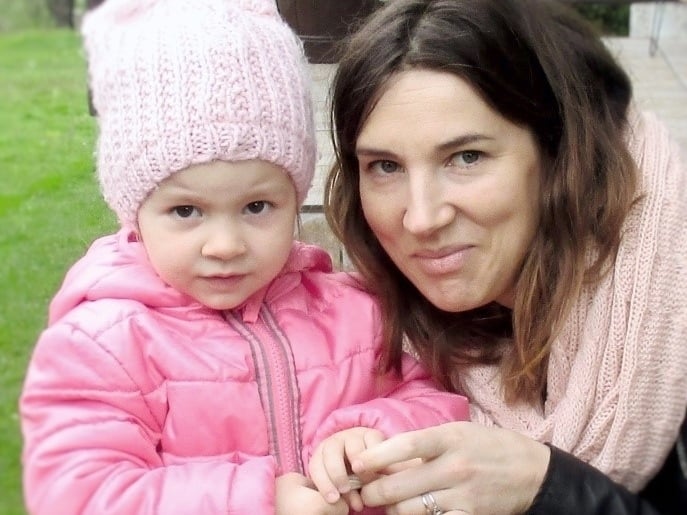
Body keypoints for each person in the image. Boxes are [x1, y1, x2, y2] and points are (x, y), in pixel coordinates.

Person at [18, 1, 470, 514]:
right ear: (134, 211)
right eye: (186, 211)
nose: (226, 244)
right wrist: (258, 502)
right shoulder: (104, 344)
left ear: (294, 200)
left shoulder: (353, 312)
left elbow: (438, 400)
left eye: (257, 207)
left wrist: (375, 433)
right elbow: (79, 494)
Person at [317, 0, 687, 513]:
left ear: (555, 154)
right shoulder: (354, 335)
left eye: (466, 157)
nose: (421, 218)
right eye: (385, 166)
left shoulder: (670, 287)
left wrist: (546, 486)